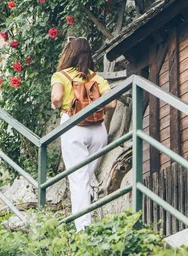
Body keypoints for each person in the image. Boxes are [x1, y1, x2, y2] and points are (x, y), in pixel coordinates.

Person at [50, 37, 116, 231]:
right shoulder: (96, 78)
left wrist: (57, 106)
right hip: (98, 131)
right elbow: (112, 103)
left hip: (74, 127)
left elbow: (56, 98)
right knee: (85, 178)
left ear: (69, 53)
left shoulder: (60, 75)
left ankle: (83, 230)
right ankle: (89, 209)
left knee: (78, 179)